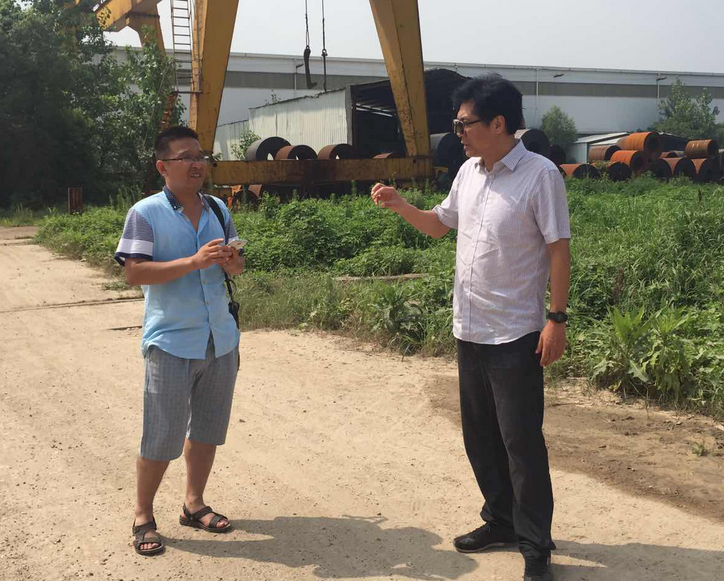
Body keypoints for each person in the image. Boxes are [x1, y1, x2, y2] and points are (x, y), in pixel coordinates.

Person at [371, 74, 570, 581]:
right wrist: (400, 205)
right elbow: (440, 225)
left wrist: (556, 319)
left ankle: (536, 546)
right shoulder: (468, 172)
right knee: (480, 438)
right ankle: (501, 520)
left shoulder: (540, 175)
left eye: (464, 123)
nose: (457, 132)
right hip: (470, 328)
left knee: (521, 444)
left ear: (498, 123)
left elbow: (558, 249)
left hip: (515, 334)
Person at [114, 126, 245, 556]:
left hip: (219, 339)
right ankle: (143, 515)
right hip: (171, 340)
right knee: (161, 435)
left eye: (200, 156)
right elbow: (134, 272)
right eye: (186, 157)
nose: (196, 164)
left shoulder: (218, 209)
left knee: (207, 429)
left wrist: (231, 261)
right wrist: (193, 261)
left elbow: (237, 268)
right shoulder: (145, 213)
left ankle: (194, 504)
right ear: (163, 166)